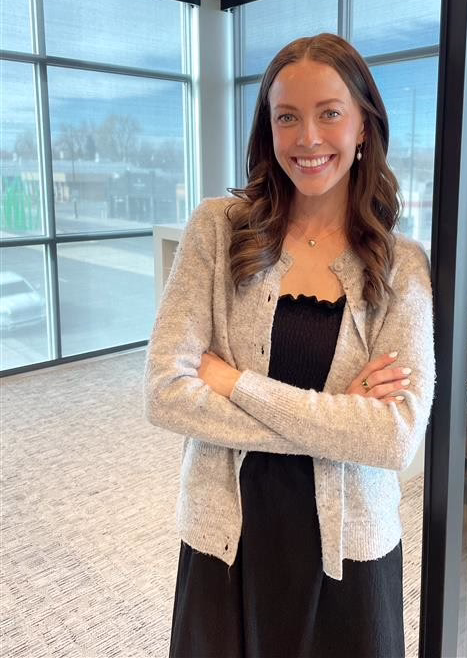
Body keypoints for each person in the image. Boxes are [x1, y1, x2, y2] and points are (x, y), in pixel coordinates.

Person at [143, 32, 435, 658]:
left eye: (330, 113)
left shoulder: (401, 265)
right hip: (230, 537)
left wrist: (233, 383)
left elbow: (393, 437)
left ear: (363, 126)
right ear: (268, 130)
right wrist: (336, 419)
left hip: (348, 544)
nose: (307, 138)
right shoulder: (218, 231)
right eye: (287, 117)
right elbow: (166, 394)